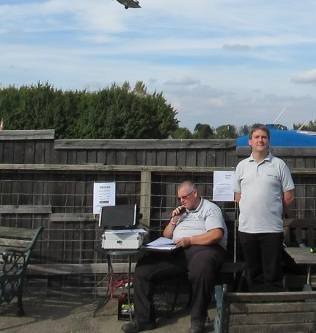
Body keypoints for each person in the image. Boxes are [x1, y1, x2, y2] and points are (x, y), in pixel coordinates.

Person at [122, 181, 227, 333]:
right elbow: (167, 235)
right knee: (143, 269)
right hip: (179, 250)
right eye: (179, 198)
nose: (182, 201)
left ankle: (198, 321)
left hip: (205, 248)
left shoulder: (210, 209)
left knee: (201, 269)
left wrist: (190, 240)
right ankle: (144, 320)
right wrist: (174, 220)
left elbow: (216, 234)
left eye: (185, 197)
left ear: (195, 193)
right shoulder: (183, 212)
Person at [232, 124, 295, 292]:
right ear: (250, 141)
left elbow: (289, 196)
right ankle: (257, 306)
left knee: (273, 274)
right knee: (254, 273)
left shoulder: (279, 165)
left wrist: (273, 212)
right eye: (257, 137)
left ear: (268, 141)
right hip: (247, 229)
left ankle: (273, 308)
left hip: (272, 229)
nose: (260, 140)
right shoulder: (242, 166)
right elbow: (238, 197)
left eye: (264, 137)